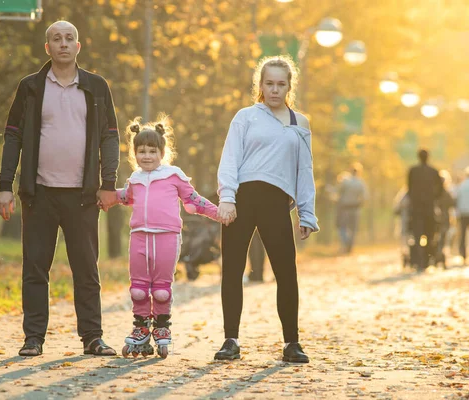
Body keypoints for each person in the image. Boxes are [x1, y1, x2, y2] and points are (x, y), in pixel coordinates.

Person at [0, 21, 119, 357]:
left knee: (86, 269)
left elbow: (109, 136)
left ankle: (92, 337)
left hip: (83, 195)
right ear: (47, 47)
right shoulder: (31, 87)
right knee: (35, 267)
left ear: (79, 46)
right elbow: (13, 136)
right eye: (56, 39)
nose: (63, 43)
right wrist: (6, 185)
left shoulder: (96, 86)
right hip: (40, 193)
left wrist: (109, 184)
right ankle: (33, 338)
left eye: (69, 38)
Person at [215, 55, 319, 363]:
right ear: (260, 85)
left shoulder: (300, 123)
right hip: (242, 200)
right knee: (232, 270)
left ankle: (292, 343)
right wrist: (227, 197)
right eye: (269, 83)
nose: (274, 90)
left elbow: (304, 169)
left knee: (286, 273)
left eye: (281, 84)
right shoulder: (246, 116)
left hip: (277, 203)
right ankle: (230, 340)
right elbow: (230, 158)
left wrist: (307, 212)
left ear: (289, 86)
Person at [114, 117, 219, 358]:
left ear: (162, 152)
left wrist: (218, 212)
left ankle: (161, 327)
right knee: (139, 289)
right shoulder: (135, 179)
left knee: (161, 289)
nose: (147, 156)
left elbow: (193, 200)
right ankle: (141, 327)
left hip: (167, 238)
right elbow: (124, 197)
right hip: (139, 237)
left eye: (152, 151)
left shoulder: (173, 175)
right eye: (141, 151)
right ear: (134, 153)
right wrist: (102, 197)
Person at [407, 149, 442, 270]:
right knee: (429, 235)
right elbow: (440, 189)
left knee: (417, 236)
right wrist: (434, 198)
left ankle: (418, 261)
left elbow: (409, 189)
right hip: (429, 208)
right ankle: (427, 260)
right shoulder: (434, 171)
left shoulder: (412, 171)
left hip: (416, 209)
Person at [336, 163, 367, 254]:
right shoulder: (361, 183)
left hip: (345, 208)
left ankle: (346, 242)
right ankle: (350, 246)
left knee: (342, 227)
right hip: (355, 208)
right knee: (353, 229)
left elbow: (338, 193)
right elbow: (365, 197)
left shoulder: (345, 181)